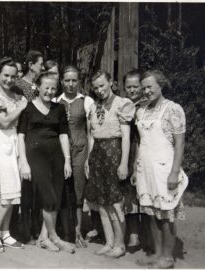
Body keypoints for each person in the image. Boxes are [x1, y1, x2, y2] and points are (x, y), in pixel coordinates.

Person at [135, 70, 188, 269]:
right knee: (151, 212)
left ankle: (167, 257)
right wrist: (135, 168)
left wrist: (174, 172)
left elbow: (180, 144)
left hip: (165, 169)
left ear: (161, 85)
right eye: (143, 88)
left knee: (166, 214)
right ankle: (156, 253)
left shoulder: (173, 109)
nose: (146, 91)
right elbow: (141, 143)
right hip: (146, 170)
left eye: (150, 87)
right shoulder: (141, 110)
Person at [18, 72, 75, 254]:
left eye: (53, 88)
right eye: (46, 87)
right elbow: (21, 137)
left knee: (55, 197)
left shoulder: (59, 109)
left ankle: (44, 237)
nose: (49, 91)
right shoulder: (27, 108)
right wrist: (24, 163)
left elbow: (64, 135)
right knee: (48, 197)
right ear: (38, 87)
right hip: (36, 158)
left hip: (56, 157)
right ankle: (54, 237)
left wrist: (67, 161)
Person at [85, 70, 135, 258]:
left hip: (114, 153)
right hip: (97, 154)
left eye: (102, 86)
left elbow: (126, 137)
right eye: (95, 87)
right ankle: (109, 241)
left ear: (111, 83)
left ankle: (120, 244)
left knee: (115, 202)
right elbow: (92, 136)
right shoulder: (94, 106)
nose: (99, 90)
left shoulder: (122, 104)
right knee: (102, 201)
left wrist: (123, 164)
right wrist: (89, 160)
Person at [0, 57, 27, 252]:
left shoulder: (16, 95)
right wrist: (20, 108)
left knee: (14, 191)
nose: (9, 80)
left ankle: (6, 233)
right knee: (5, 192)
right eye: (5, 75)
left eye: (13, 76)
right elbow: (3, 122)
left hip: (14, 141)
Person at [55, 65, 94, 248]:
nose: (70, 84)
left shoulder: (86, 101)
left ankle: (78, 232)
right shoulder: (55, 100)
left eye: (74, 80)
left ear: (79, 81)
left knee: (78, 190)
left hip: (80, 150)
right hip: (61, 152)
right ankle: (63, 230)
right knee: (62, 190)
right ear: (62, 81)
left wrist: (88, 158)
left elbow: (91, 131)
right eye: (67, 80)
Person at [13, 50, 44, 244]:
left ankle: (37, 229)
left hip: (38, 138)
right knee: (25, 189)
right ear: (31, 64)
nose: (42, 67)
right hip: (22, 135)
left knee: (37, 189)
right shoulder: (18, 85)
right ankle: (23, 231)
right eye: (40, 64)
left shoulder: (39, 85)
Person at [122, 69, 147, 253]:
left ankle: (148, 234)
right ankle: (133, 234)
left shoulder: (146, 107)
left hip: (144, 151)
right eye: (128, 86)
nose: (131, 90)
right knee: (129, 193)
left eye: (135, 86)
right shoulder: (124, 106)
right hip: (127, 152)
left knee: (144, 193)